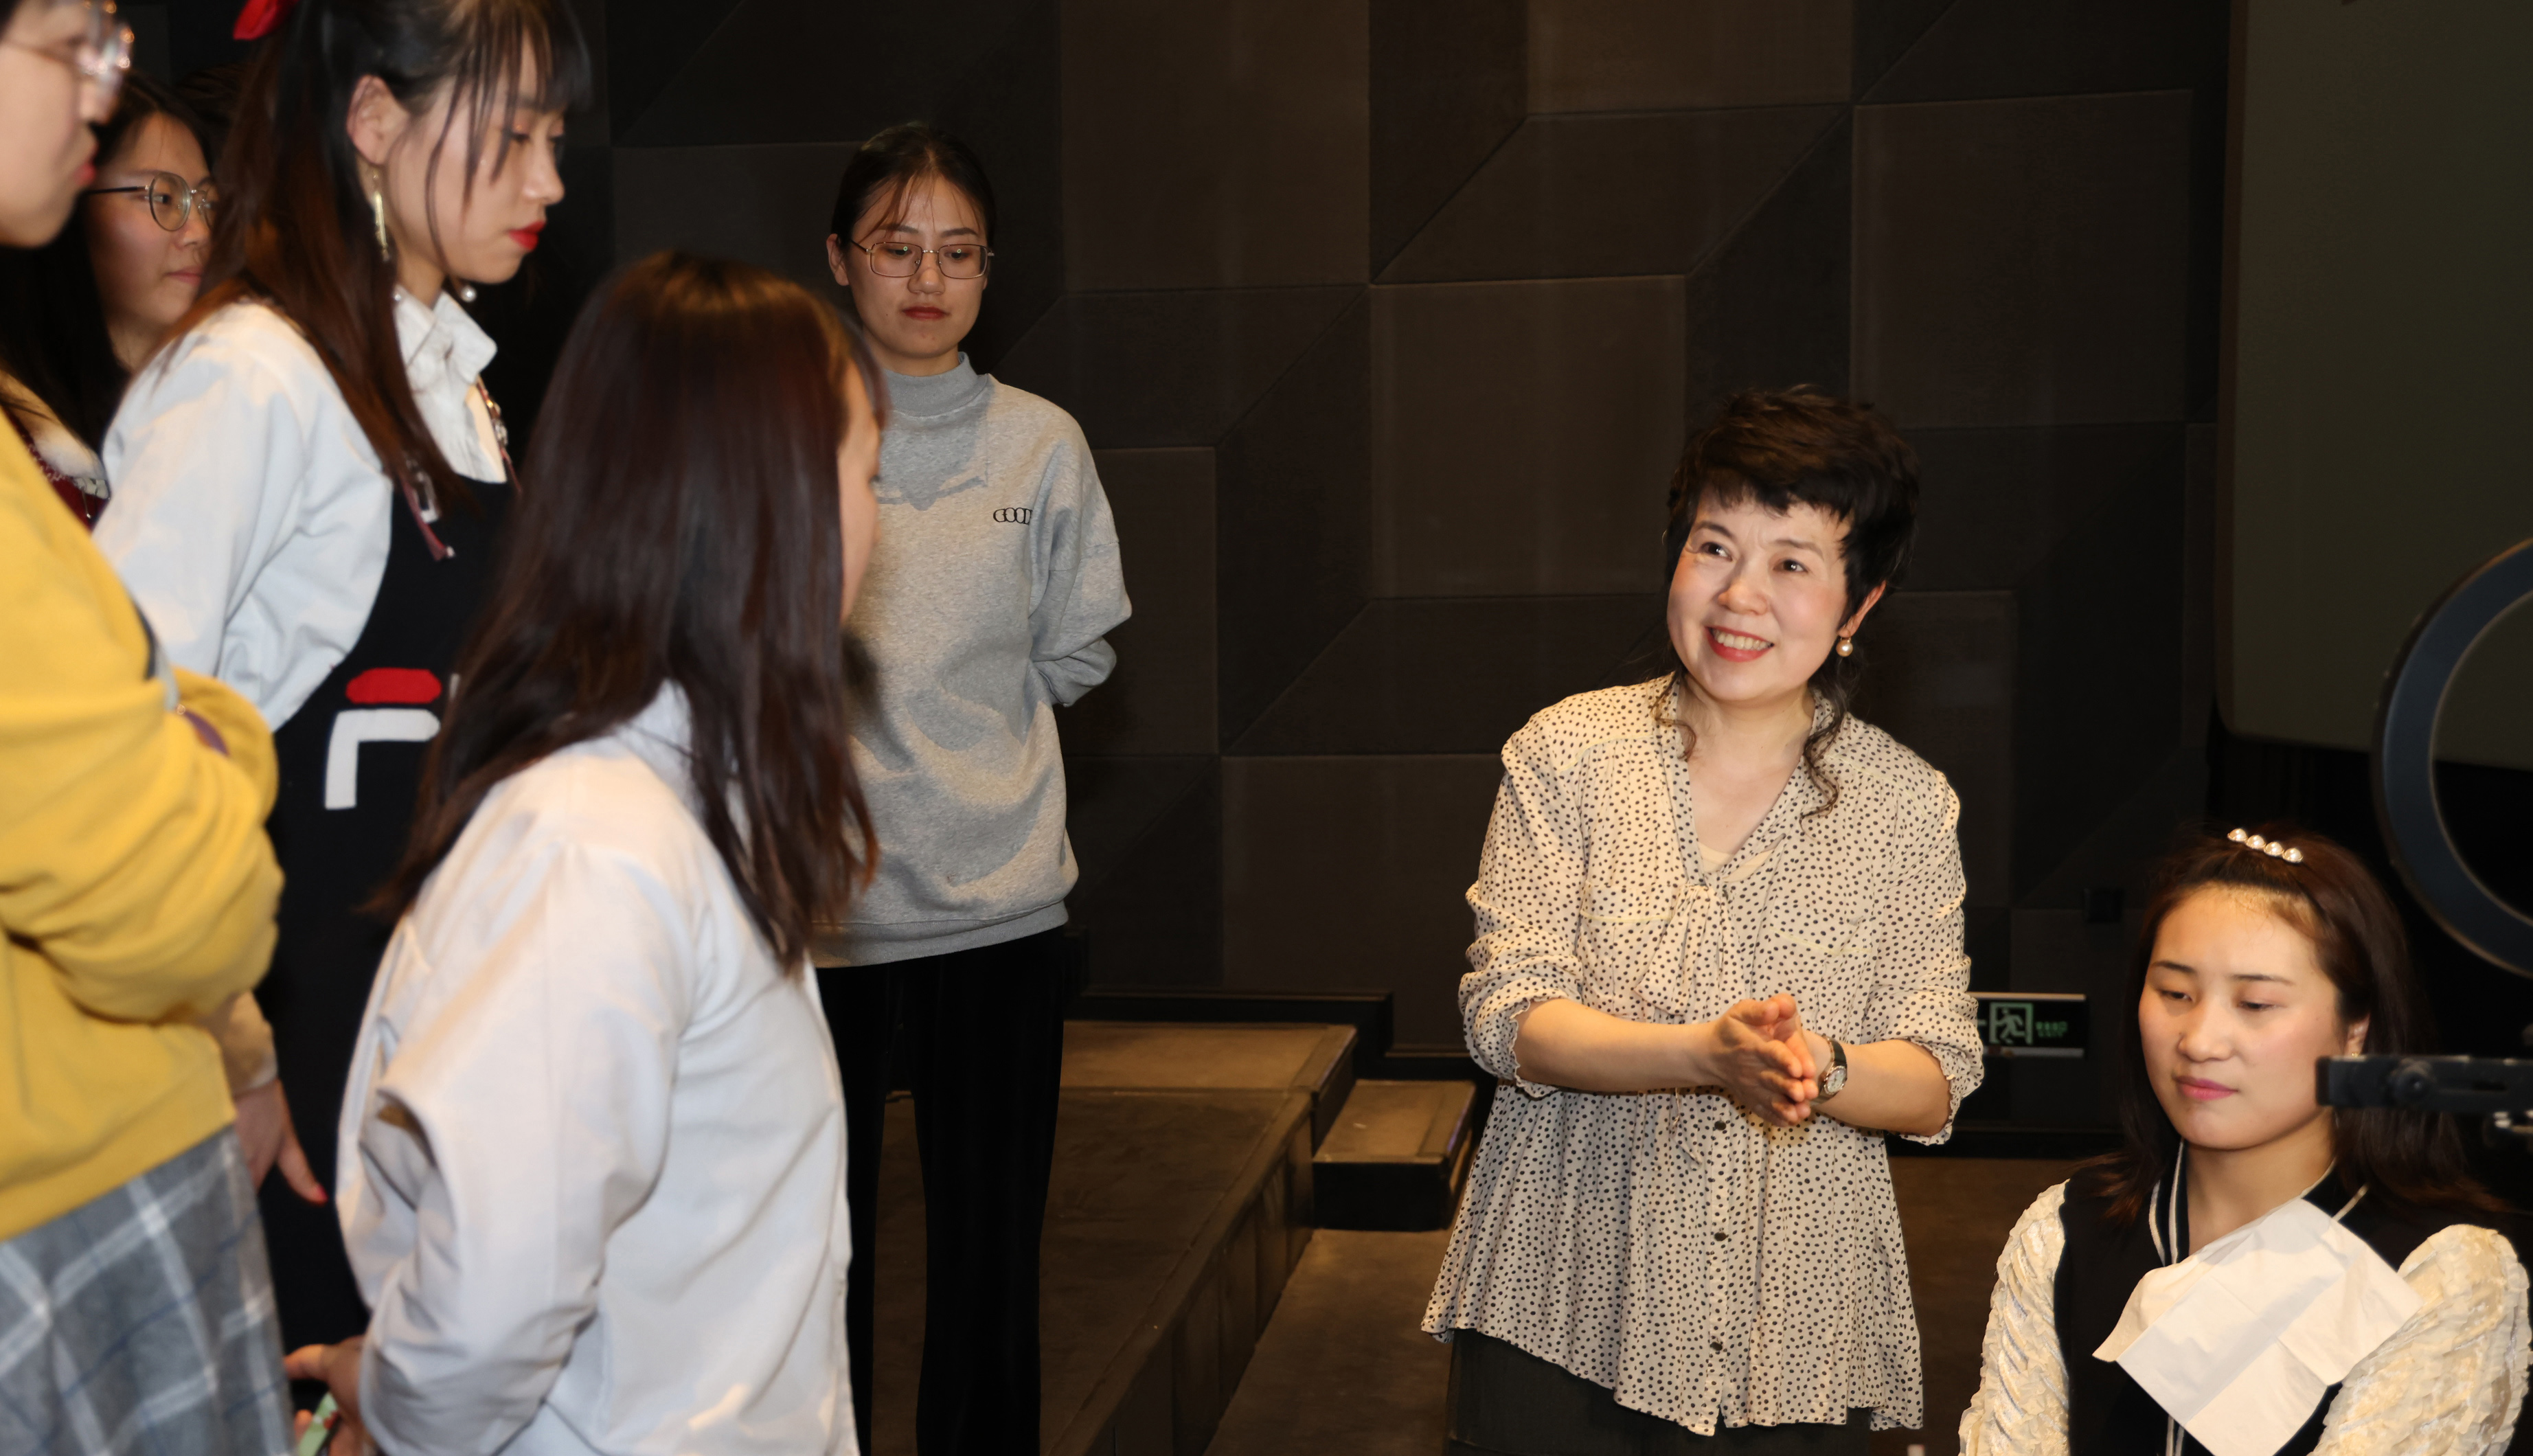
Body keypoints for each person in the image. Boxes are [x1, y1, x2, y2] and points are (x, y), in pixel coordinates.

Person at [278, 250, 883, 1456]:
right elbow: (493, 1299)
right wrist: (392, 1400)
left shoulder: (671, 797)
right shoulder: (591, 847)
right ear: (768, 503)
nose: (879, 517)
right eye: (867, 475)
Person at [92, 0, 589, 1354]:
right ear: (373, 119)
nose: (549, 181)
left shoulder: (458, 384)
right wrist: (230, 1042)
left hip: (437, 1057)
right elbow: (107, 740)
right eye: (514, 138)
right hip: (293, 1071)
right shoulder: (253, 378)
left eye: (557, 140)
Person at [1424, 388, 1986, 1454]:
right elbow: (1507, 1017)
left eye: (1792, 564)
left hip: (1796, 1330)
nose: (1740, 595)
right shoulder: (1567, 753)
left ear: (1859, 605)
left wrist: (1817, 1066)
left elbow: (1937, 1073)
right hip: (1558, 1292)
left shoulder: (1907, 805)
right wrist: (1703, 1057)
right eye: (1715, 547)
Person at [814, 121, 1129, 1456]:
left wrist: (964, 748)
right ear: (841, 258)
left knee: (989, 1273)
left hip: (998, 917)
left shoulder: (1040, 444)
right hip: (816, 923)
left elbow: (1073, 650)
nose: (927, 278)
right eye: (897, 247)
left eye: (958, 252)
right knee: (806, 1267)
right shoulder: (787, 428)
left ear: (990, 270)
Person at [0, 1, 291, 1448]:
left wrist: (188, 730)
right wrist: (212, 740)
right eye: (67, 41)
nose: (93, 83)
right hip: (66, 1178)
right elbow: (175, 892)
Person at [1958, 827, 2530, 1456]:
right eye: (2175, 994)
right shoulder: (2067, 1230)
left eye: (2255, 1004)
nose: (2200, 1040)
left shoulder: (2435, 1268)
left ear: (2356, 1029)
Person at [0, 70, 212, 527]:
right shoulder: (17, 450)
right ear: (63, 206)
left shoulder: (211, 408)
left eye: (207, 202)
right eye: (164, 198)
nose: (199, 232)